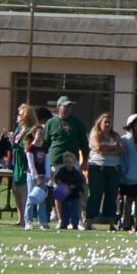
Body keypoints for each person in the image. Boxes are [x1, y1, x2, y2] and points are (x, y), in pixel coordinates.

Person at [44, 96, 90, 229]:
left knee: (77, 191)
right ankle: (62, 220)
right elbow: (46, 143)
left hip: (72, 162)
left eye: (69, 106)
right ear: (59, 107)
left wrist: (85, 159)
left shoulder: (77, 122)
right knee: (59, 192)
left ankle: (78, 220)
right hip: (56, 162)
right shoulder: (51, 123)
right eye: (65, 106)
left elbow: (83, 142)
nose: (68, 108)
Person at [86, 113, 123, 229]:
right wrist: (113, 146)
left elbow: (121, 149)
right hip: (97, 168)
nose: (107, 124)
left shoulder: (115, 135)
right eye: (105, 122)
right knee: (95, 195)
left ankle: (112, 224)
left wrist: (108, 149)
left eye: (109, 122)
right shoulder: (95, 133)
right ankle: (89, 222)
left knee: (112, 196)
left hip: (113, 169)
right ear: (100, 123)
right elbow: (98, 147)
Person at [8, 104, 37, 226]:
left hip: (25, 164)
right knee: (15, 191)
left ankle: (26, 219)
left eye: (19, 114)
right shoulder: (19, 128)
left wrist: (12, 141)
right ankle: (20, 219)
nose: (17, 116)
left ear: (25, 117)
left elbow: (24, 148)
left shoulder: (29, 131)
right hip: (16, 164)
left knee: (24, 193)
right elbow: (14, 143)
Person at [24, 127, 51, 230]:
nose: (41, 136)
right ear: (34, 134)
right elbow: (31, 165)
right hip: (32, 176)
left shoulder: (45, 147)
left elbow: (47, 162)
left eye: (42, 134)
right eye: (39, 134)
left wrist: (47, 175)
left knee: (41, 199)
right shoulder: (30, 148)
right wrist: (36, 177)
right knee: (31, 198)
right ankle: (28, 222)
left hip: (43, 176)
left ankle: (43, 221)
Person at [54, 152, 84, 230]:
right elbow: (57, 178)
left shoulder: (76, 173)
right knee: (65, 210)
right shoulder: (62, 171)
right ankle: (64, 223)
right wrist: (59, 182)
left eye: (70, 162)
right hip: (65, 195)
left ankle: (75, 224)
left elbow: (80, 182)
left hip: (74, 195)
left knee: (74, 210)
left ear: (73, 163)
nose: (68, 164)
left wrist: (74, 186)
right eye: (66, 162)